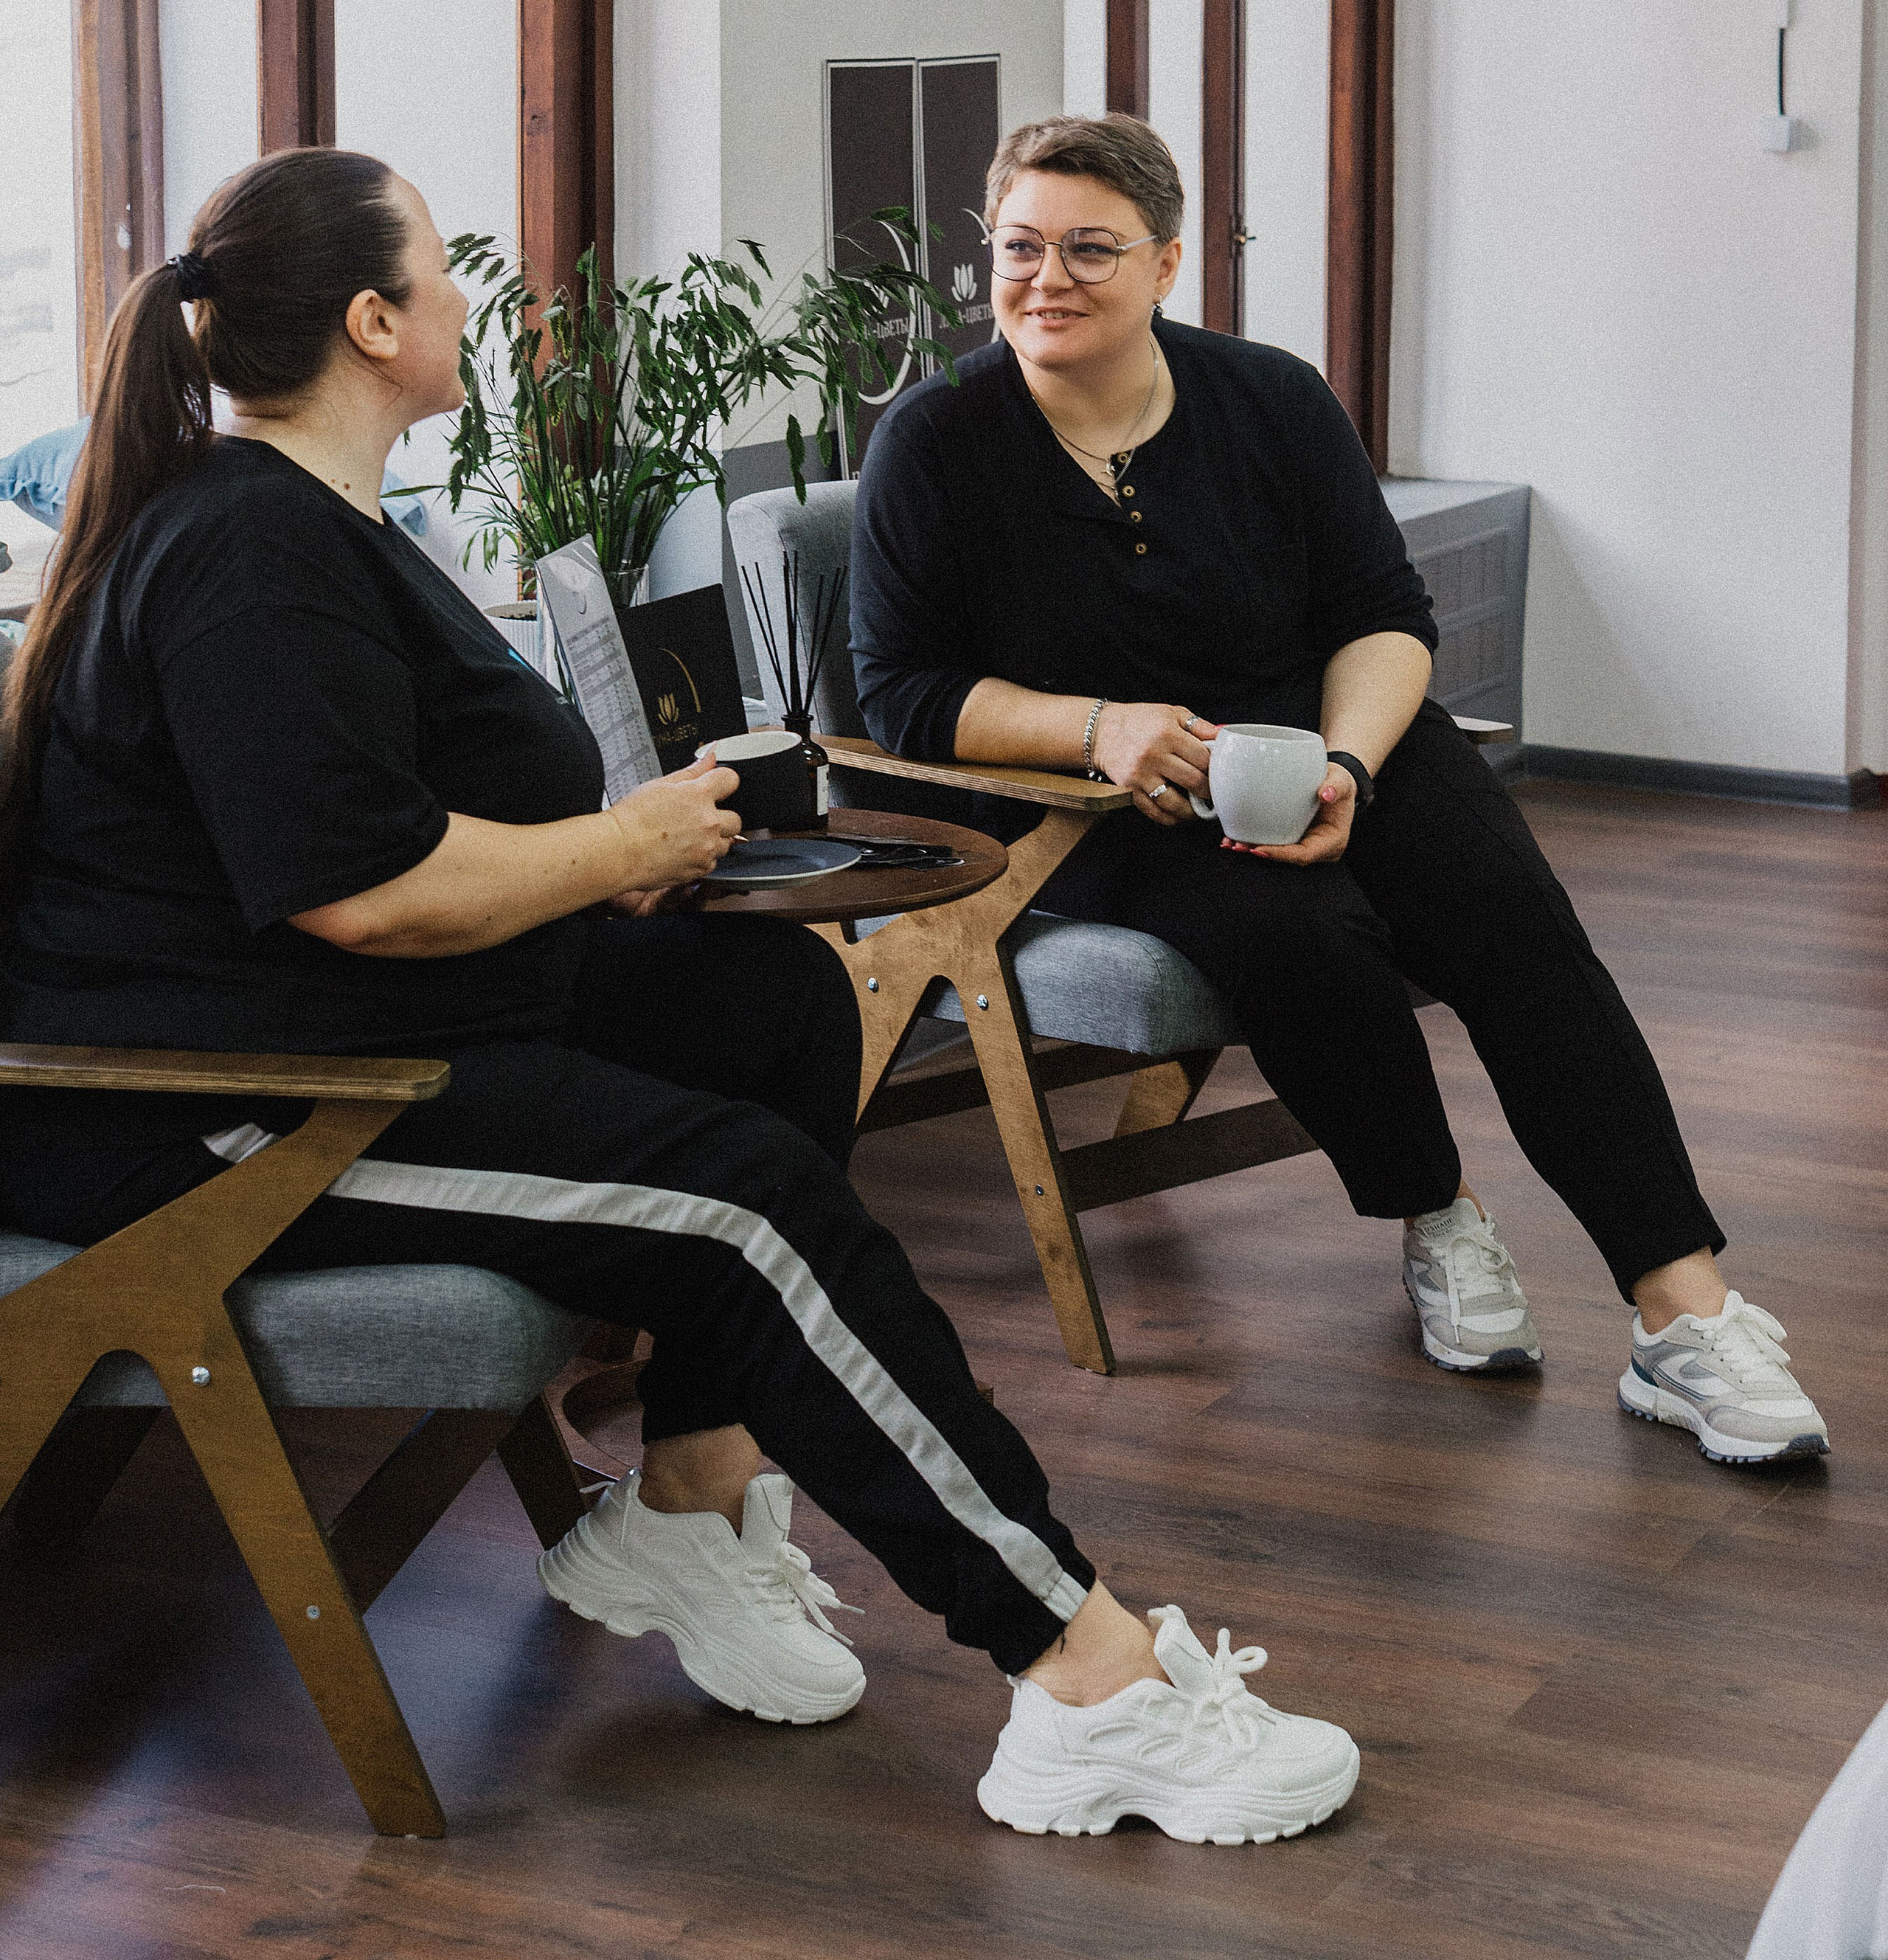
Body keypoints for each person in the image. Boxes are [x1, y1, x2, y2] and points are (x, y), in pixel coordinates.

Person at [0, 145, 1361, 1846]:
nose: (459, 305)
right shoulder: (247, 555)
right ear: (371, 321)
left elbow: (393, 830)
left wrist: (619, 857)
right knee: (742, 1210)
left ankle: (691, 1500)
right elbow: (359, 895)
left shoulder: (315, 521)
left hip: (374, 1030)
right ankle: (1079, 1674)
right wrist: (605, 842)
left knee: (772, 1001)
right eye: (435, 272)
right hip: (236, 1116)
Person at [850, 114, 1828, 1465]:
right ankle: (1437, 1216)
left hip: (1331, 734)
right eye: (1020, 248)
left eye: (1091, 249)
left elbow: (1385, 612)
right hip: (1103, 797)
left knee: (1508, 914)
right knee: (1298, 937)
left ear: (1167, 262)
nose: (1047, 280)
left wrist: (1354, 763)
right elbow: (899, 690)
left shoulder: (1271, 398)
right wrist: (1098, 730)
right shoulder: (936, 439)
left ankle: (1683, 1312)